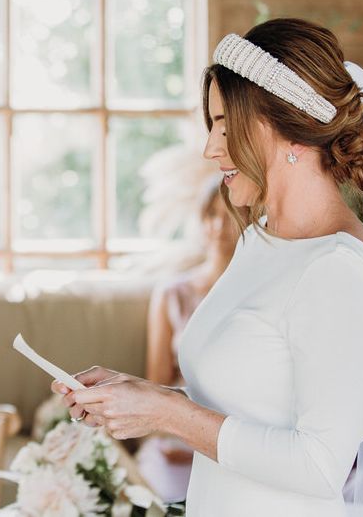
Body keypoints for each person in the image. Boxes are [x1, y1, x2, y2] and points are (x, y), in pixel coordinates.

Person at [54, 18, 363, 516]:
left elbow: (320, 465)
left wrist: (168, 412)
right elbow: (251, 400)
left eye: (224, 124)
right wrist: (142, 397)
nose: (210, 147)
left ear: (291, 133)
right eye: (211, 125)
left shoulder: (337, 272)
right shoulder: (259, 240)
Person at [136, 180, 239, 503]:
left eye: (230, 214)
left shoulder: (259, 293)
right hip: (177, 441)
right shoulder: (171, 294)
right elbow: (157, 384)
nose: (219, 226)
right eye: (211, 215)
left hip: (237, 438)